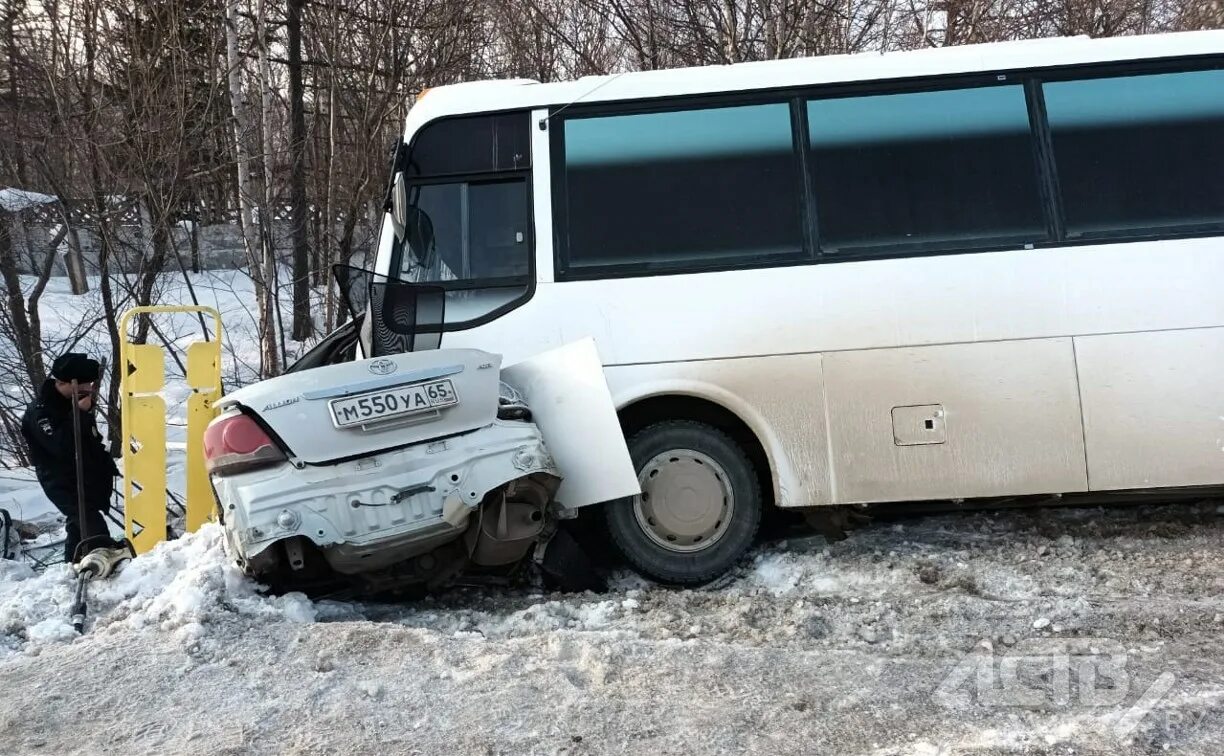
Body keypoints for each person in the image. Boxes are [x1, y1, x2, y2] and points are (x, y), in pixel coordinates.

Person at [20, 353, 118, 562]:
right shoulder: (41, 412)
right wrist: (79, 414)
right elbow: (61, 445)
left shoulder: (74, 403)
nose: (89, 390)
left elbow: (90, 441)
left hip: (86, 476)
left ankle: (72, 565)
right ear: (65, 383)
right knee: (91, 524)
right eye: (84, 385)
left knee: (78, 525)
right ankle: (105, 564)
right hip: (61, 480)